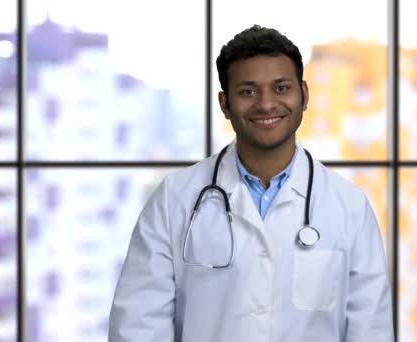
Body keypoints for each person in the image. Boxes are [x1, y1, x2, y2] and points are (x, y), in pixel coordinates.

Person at [108, 25, 394, 341]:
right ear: (224, 104)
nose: (266, 104)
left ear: (305, 95)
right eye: (247, 91)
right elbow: (137, 328)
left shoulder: (349, 207)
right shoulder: (174, 200)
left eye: (281, 88)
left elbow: (371, 331)